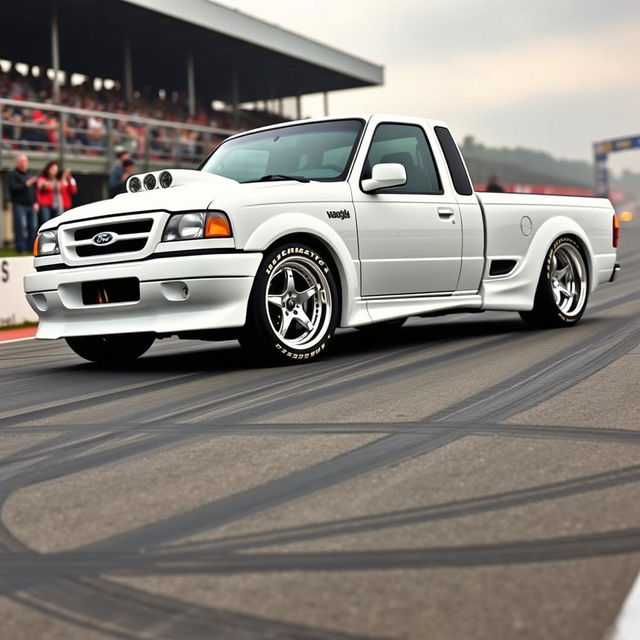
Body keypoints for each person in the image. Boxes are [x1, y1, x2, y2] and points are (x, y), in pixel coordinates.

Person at [7, 154, 38, 254]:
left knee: (33, 227)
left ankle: (31, 247)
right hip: (19, 205)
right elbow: (13, 188)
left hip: (31, 204)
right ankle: (21, 248)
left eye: (25, 161)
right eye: (22, 161)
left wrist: (36, 202)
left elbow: (34, 190)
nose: (24, 163)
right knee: (21, 227)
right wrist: (26, 184)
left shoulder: (29, 173)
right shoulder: (13, 174)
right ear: (17, 163)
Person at [36, 161, 62, 226]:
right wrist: (46, 185)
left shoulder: (56, 180)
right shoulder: (42, 178)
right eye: (53, 169)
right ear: (48, 169)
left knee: (55, 223)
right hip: (45, 204)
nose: (54, 171)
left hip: (55, 205)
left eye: (55, 170)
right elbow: (41, 187)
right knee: (45, 222)